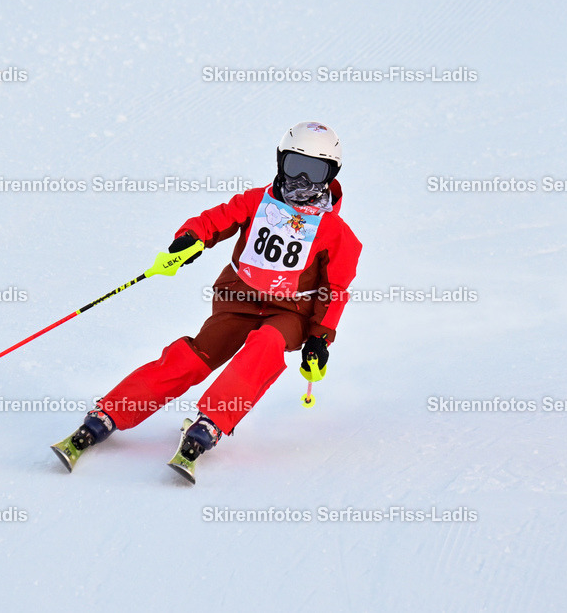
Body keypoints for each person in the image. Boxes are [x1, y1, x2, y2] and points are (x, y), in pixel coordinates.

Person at [53, 121, 362, 475]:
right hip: (238, 300)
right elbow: (217, 219)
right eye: (295, 167)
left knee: (266, 344)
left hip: (289, 312)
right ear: (280, 162)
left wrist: (318, 339)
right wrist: (191, 238)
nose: (301, 182)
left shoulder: (336, 233)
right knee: (195, 356)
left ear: (330, 174)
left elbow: (334, 291)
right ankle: (111, 412)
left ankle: (211, 421)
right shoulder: (256, 202)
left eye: (315, 172)